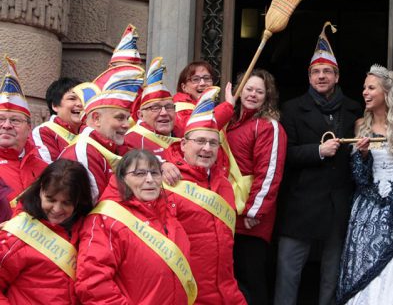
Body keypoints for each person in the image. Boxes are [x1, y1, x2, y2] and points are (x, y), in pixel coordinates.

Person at [275, 22, 362, 305]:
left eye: (327, 71)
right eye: (316, 71)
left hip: (338, 203)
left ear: (337, 76)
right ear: (309, 76)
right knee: (289, 272)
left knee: (332, 274)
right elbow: (284, 156)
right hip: (300, 204)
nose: (321, 76)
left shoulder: (353, 110)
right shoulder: (291, 108)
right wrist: (318, 151)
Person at [336, 65, 393, 304]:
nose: (365, 92)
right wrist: (361, 156)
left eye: (371, 88)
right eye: (364, 88)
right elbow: (359, 179)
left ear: (387, 92)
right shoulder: (360, 125)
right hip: (366, 209)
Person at [75, 149, 195, 305]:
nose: (150, 179)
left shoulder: (167, 212)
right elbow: (92, 283)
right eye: (140, 174)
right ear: (122, 178)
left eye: (155, 173)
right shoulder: (105, 220)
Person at [163, 87, 246, 304]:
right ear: (183, 144)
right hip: (187, 295)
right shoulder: (165, 181)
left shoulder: (225, 185)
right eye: (200, 141)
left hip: (226, 292)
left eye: (213, 142)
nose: (207, 148)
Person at [227, 69, 287, 305]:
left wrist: (255, 211)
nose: (253, 94)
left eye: (259, 91)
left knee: (251, 280)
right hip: (227, 213)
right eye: (249, 89)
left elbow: (270, 172)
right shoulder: (229, 122)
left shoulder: (267, 126)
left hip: (250, 218)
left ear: (267, 96)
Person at [0, 159, 94, 304]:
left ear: (79, 200)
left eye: (66, 203)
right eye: (50, 199)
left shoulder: (89, 231)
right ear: (41, 190)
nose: (56, 209)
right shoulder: (17, 234)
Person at [60, 64, 145, 201]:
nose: (126, 125)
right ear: (96, 118)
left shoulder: (118, 147)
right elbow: (96, 206)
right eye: (119, 117)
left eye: (127, 118)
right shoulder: (84, 151)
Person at [0, 56, 47, 207]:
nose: (6, 125)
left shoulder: (44, 169)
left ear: (29, 128)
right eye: (1, 119)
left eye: (15, 120)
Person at [125, 57, 180, 155]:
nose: (164, 113)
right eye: (155, 108)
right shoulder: (130, 141)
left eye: (169, 107)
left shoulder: (183, 139)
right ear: (140, 115)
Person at [31, 77, 83, 163]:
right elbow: (49, 172)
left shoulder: (91, 131)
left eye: (83, 99)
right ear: (55, 105)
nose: (80, 104)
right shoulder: (44, 131)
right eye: (72, 98)